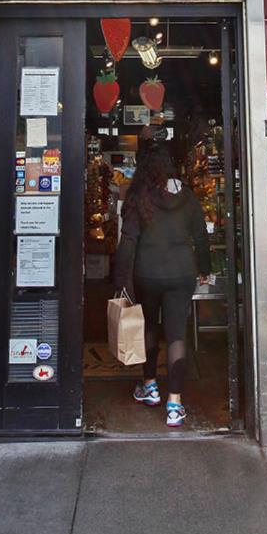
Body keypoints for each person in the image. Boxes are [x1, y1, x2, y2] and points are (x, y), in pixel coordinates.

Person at [113, 142, 212, 427]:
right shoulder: (189, 198)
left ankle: (150, 385)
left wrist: (120, 280)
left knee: (149, 328)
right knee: (177, 334)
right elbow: (202, 237)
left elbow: (128, 241)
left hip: (148, 272)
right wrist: (204, 268)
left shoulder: (140, 198)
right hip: (182, 273)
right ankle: (175, 403)